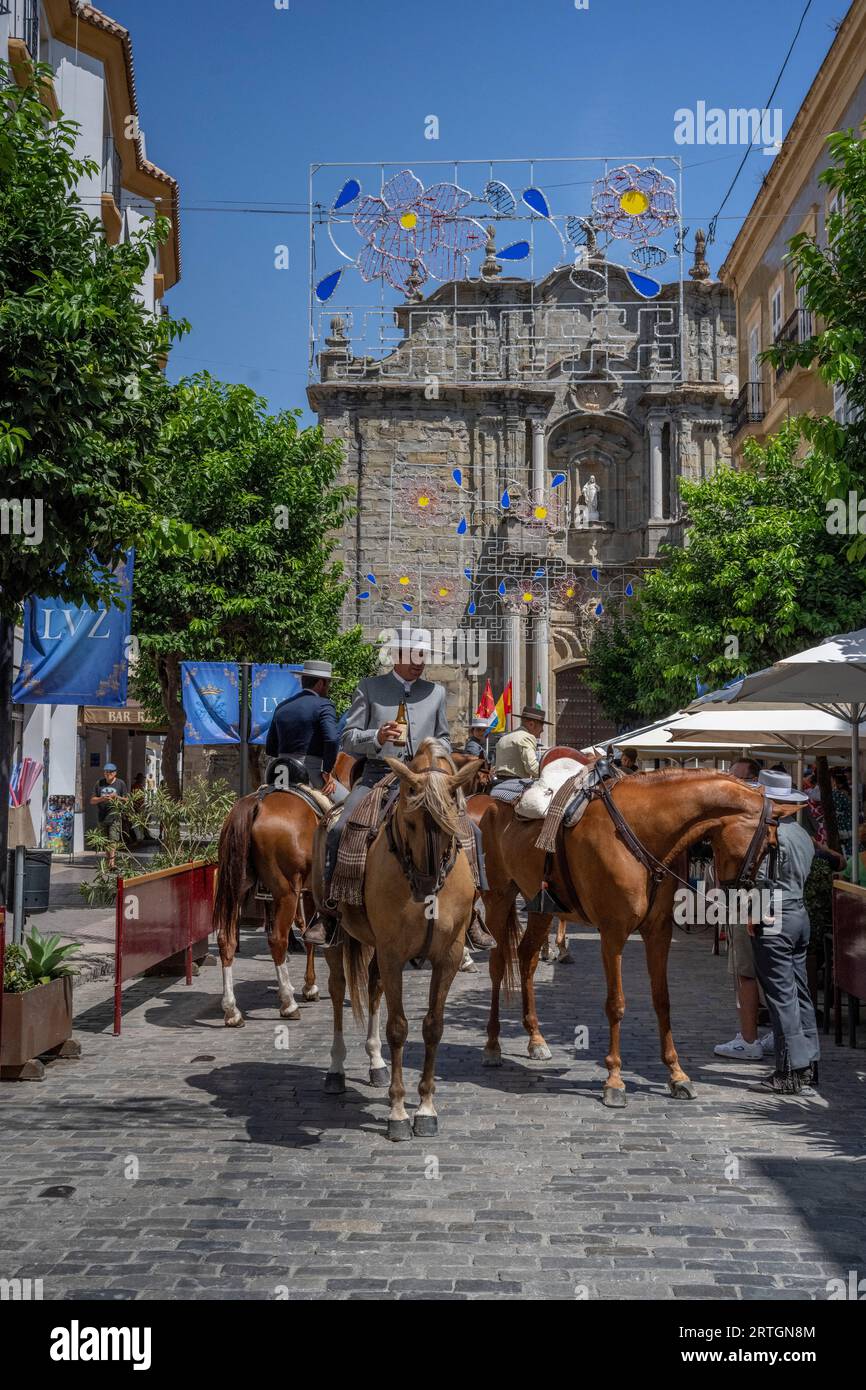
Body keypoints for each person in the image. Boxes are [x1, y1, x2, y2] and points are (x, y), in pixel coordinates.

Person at [323, 629, 494, 949]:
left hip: (427, 781)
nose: (420, 662)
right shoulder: (370, 688)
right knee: (340, 828)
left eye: (423, 655)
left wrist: (434, 749)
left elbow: (444, 737)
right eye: (414, 655)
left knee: (473, 832)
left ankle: (474, 913)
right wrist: (377, 737)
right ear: (397, 656)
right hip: (378, 776)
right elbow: (348, 738)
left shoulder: (436, 693)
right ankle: (330, 911)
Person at [747, 770, 822, 1095]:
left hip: (775, 914)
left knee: (781, 996)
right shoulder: (802, 833)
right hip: (798, 912)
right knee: (800, 991)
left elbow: (762, 880)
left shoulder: (770, 833)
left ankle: (789, 1070)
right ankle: (809, 1062)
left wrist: (752, 914)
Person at [713, 757, 774, 1062]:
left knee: (745, 973)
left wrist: (748, 910)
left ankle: (749, 1039)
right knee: (775, 974)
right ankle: (777, 1033)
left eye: (739, 782)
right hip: (776, 908)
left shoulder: (758, 829)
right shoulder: (791, 830)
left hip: (753, 905)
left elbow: (758, 877)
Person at [265, 659, 344, 800]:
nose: (329, 687)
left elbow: (271, 748)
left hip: (279, 774)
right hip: (309, 773)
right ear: (321, 683)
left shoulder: (282, 707)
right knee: (349, 805)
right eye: (328, 683)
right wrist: (326, 771)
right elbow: (332, 739)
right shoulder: (324, 705)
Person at [493, 705, 550, 783]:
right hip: (516, 783)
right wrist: (550, 775)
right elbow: (532, 767)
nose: (540, 733)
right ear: (531, 724)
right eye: (541, 729)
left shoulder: (504, 738)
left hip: (497, 782)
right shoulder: (527, 737)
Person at [90, 762, 128, 870]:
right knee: (105, 841)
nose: (107, 774)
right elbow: (92, 800)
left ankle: (112, 863)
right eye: (106, 772)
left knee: (113, 840)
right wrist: (102, 798)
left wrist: (117, 797)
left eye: (110, 772)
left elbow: (127, 800)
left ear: (115, 773)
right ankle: (108, 862)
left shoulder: (120, 784)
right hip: (102, 817)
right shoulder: (99, 783)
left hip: (114, 817)